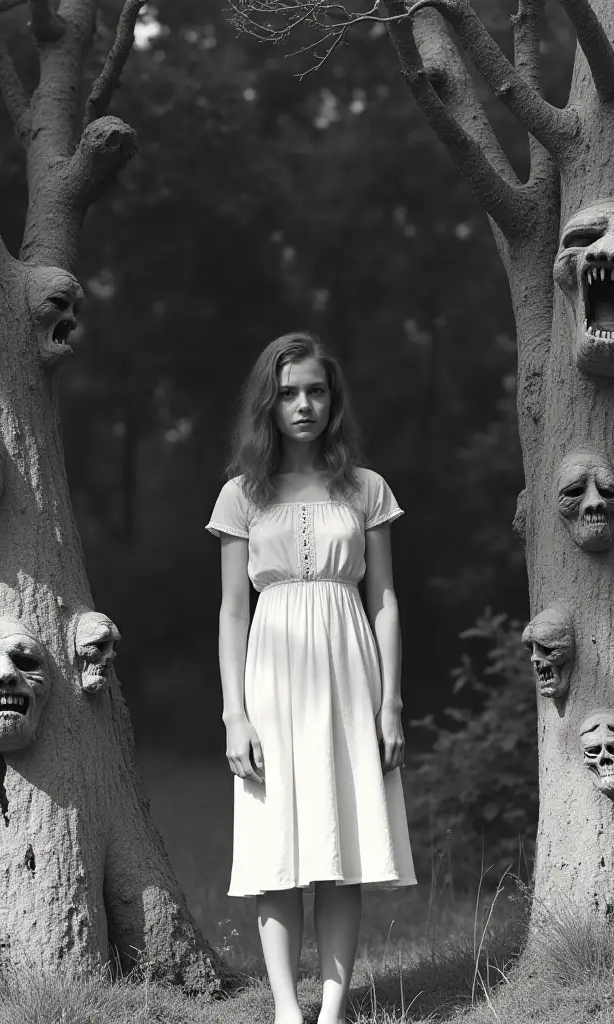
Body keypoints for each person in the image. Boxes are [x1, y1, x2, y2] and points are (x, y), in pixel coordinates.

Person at [206, 331, 416, 1024]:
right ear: (270, 403)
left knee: (339, 843)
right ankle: (286, 1014)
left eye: (316, 391)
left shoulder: (366, 489)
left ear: (333, 400)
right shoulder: (242, 495)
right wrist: (235, 714)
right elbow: (233, 612)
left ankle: (331, 1010)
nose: (304, 405)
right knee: (277, 849)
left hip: (349, 672)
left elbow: (382, 600)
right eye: (290, 392)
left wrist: (390, 705)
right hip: (270, 678)